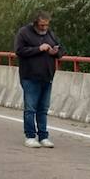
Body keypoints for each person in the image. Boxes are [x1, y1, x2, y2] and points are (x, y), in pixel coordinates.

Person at [14, 11, 65, 149]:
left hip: (47, 77)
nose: (44, 28)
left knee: (43, 109)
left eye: (46, 25)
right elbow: (19, 51)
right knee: (30, 108)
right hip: (30, 76)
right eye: (42, 25)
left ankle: (43, 136)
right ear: (35, 23)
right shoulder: (24, 33)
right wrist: (39, 49)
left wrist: (56, 52)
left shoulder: (50, 34)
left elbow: (61, 50)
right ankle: (30, 136)